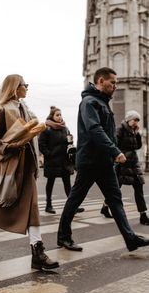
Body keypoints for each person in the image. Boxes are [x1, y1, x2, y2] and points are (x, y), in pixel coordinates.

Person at [57, 67, 149, 252]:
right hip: (90, 161)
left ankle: (130, 239)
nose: (115, 86)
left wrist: (111, 154)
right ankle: (63, 237)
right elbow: (95, 130)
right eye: (112, 82)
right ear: (100, 81)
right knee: (76, 199)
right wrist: (115, 151)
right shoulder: (89, 102)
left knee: (115, 199)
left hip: (104, 162)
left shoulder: (102, 102)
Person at [0, 74, 59, 270]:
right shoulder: (2, 110)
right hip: (8, 166)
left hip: (27, 165)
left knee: (32, 207)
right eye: (24, 85)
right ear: (15, 87)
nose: (27, 88)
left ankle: (37, 251)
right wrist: (7, 147)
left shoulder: (26, 110)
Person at [100, 110, 149, 225]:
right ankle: (105, 206)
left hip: (133, 163)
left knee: (139, 187)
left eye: (138, 120)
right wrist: (119, 157)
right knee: (115, 189)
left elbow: (138, 146)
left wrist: (138, 134)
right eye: (135, 120)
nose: (136, 122)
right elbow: (114, 144)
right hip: (122, 163)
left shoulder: (134, 131)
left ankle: (143, 215)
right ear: (128, 119)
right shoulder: (120, 129)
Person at [39, 106, 83, 214]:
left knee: (68, 184)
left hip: (64, 161)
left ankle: (72, 206)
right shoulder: (46, 129)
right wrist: (49, 154)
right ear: (52, 116)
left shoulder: (65, 128)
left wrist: (70, 142)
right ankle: (48, 205)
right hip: (52, 161)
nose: (59, 117)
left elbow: (68, 143)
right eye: (57, 115)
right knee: (50, 183)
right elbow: (41, 145)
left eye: (60, 115)